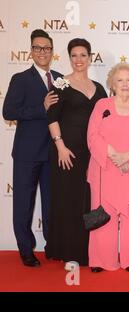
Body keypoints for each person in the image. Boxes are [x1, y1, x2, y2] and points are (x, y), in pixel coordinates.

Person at [86, 62, 129, 272]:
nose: (124, 84)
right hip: (105, 169)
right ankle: (100, 260)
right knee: (103, 216)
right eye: (120, 80)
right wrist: (115, 156)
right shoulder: (102, 105)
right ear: (112, 85)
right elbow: (92, 135)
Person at [45, 38, 107, 268]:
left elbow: (109, 118)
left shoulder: (99, 88)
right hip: (67, 152)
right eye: (74, 55)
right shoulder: (61, 83)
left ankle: (87, 249)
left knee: (87, 200)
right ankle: (67, 248)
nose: (79, 60)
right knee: (68, 199)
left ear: (90, 58)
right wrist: (60, 146)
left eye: (83, 55)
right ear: (69, 58)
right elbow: (51, 117)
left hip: (92, 155)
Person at [2, 29, 62, 267]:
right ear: (31, 51)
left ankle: (52, 245)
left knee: (51, 204)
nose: (42, 52)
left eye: (46, 48)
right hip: (27, 154)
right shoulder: (20, 79)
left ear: (52, 51)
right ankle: (26, 250)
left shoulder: (59, 78)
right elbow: (9, 112)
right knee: (23, 204)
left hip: (53, 153)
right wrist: (42, 107)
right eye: (37, 48)